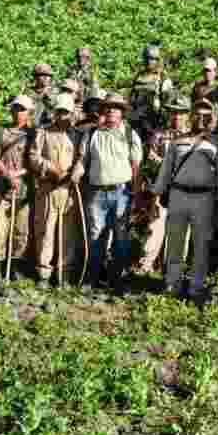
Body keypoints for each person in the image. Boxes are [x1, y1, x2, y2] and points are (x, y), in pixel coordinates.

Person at [152, 98, 218, 297]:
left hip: (204, 198)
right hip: (178, 195)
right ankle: (172, 284)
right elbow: (165, 172)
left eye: (206, 115)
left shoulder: (216, 144)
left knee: (201, 244)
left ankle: (196, 286)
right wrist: (156, 198)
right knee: (175, 242)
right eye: (197, 114)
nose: (200, 119)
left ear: (211, 117)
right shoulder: (177, 141)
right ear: (191, 116)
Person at [76, 93, 144, 292]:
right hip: (96, 192)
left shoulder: (130, 134)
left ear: (122, 112)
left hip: (122, 193)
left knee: (121, 238)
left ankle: (117, 279)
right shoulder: (91, 133)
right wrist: (74, 174)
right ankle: (93, 278)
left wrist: (137, 196)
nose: (112, 110)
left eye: (116, 108)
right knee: (95, 236)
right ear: (103, 111)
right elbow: (82, 161)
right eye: (108, 107)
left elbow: (136, 168)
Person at [29, 94, 84, 288]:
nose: (63, 116)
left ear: (72, 113)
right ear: (54, 113)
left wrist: (76, 172)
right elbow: (33, 156)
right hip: (48, 188)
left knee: (67, 232)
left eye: (66, 112)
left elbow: (83, 158)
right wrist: (50, 168)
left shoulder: (78, 135)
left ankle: (64, 273)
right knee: (45, 230)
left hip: (69, 189)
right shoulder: (43, 132)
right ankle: (43, 273)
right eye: (59, 112)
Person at [136, 94, 191, 275]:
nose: (176, 116)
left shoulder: (193, 137)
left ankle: (173, 272)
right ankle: (145, 266)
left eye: (180, 113)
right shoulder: (159, 135)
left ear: (187, 114)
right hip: (161, 191)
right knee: (154, 228)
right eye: (173, 112)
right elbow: (150, 158)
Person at [0, 95, 36, 285]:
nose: (18, 112)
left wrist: (20, 174)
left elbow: (36, 158)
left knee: (20, 230)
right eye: (15, 108)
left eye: (22, 109)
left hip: (23, 188)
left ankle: (15, 266)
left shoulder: (34, 133)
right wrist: (7, 175)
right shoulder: (0, 130)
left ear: (29, 112)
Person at [129, 45, 175, 142]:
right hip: (137, 120)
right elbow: (132, 98)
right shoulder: (138, 76)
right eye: (147, 58)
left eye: (152, 59)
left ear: (157, 60)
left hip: (154, 121)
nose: (149, 61)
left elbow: (168, 104)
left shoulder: (163, 77)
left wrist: (161, 126)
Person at [191, 57, 218, 133]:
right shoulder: (197, 87)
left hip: (214, 128)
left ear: (215, 71)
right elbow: (193, 106)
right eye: (205, 70)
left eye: (209, 71)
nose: (207, 73)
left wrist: (217, 120)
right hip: (198, 127)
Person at [28, 63, 57, 129]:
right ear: (36, 77)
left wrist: (48, 99)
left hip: (48, 126)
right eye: (42, 75)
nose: (46, 78)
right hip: (29, 127)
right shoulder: (28, 92)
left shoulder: (54, 92)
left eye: (48, 75)